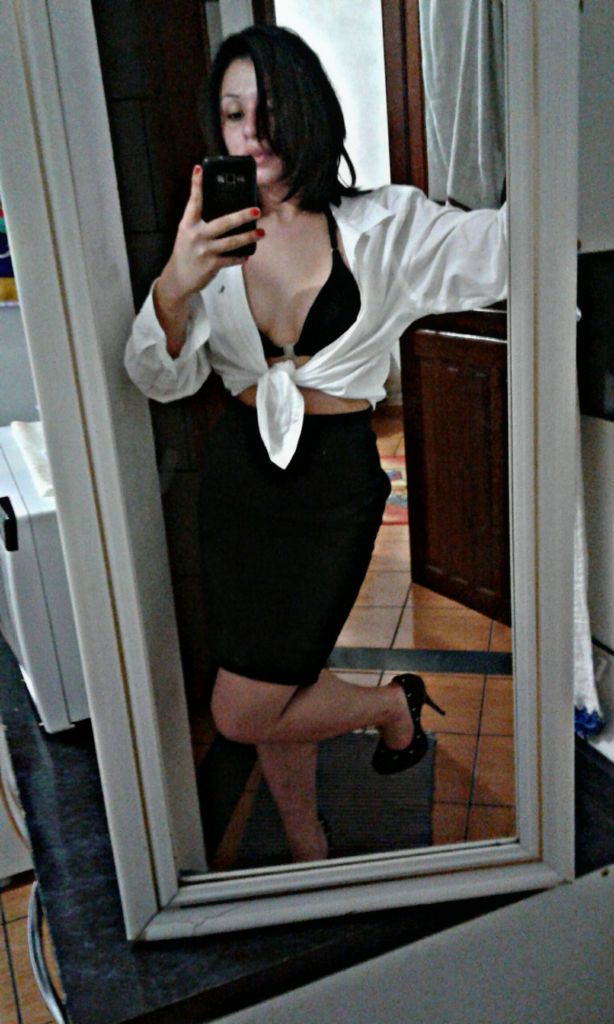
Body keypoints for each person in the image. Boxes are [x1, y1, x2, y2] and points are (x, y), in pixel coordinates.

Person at [124, 25, 507, 864]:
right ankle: (307, 840)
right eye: (232, 114)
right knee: (279, 680)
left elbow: (507, 248)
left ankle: (388, 705)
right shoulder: (207, 242)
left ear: (308, 110)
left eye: (268, 109)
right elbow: (160, 378)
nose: (251, 132)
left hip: (334, 485)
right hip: (241, 479)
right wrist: (176, 285)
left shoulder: (383, 226)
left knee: (243, 707)